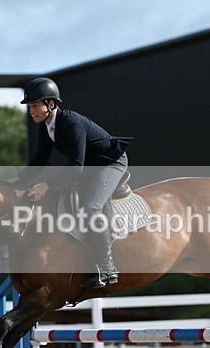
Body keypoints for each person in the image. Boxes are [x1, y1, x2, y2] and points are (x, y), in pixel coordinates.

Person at [16, 77, 131, 288]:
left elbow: (76, 166)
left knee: (91, 207)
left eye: (34, 105)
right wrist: (17, 180)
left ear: (50, 104)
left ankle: (107, 268)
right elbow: (40, 160)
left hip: (110, 163)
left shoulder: (71, 123)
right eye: (29, 106)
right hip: (90, 168)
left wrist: (46, 185)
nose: (31, 111)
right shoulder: (46, 127)